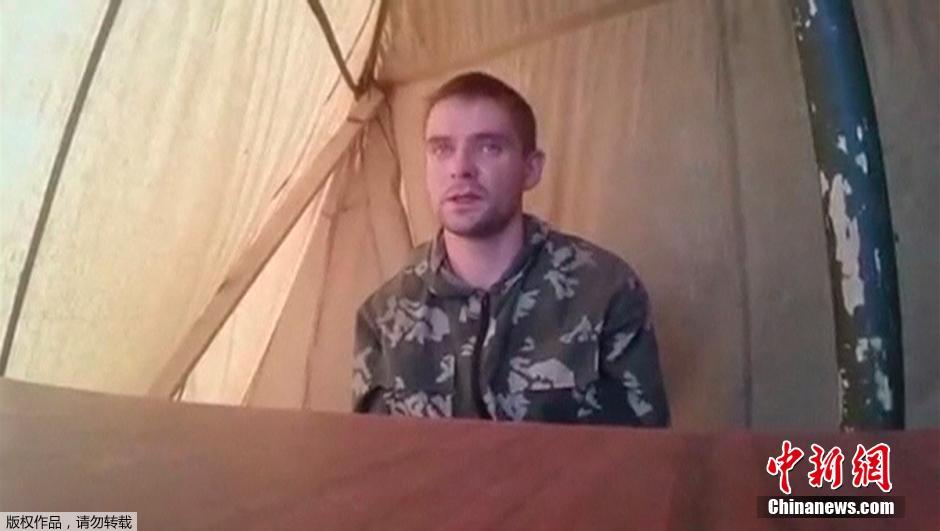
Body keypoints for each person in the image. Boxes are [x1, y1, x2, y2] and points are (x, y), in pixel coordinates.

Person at [352, 72, 669, 426]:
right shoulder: (385, 315)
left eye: (489, 147)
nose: (460, 169)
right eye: (441, 149)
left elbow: (644, 452)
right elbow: (375, 454)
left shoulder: (604, 293)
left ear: (530, 169)